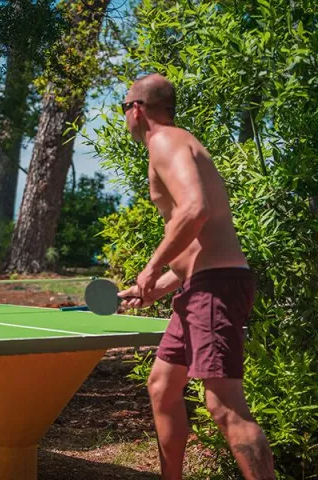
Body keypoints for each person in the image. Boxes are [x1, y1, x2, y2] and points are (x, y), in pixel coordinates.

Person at [117, 74, 275, 480]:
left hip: (214, 288)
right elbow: (198, 247)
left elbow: (195, 209)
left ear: (137, 109)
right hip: (202, 284)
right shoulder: (175, 143)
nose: (124, 116)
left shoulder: (165, 141)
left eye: (123, 107)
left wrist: (151, 266)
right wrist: (155, 287)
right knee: (162, 386)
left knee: (225, 407)